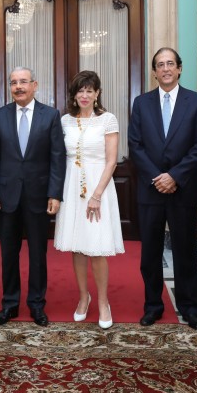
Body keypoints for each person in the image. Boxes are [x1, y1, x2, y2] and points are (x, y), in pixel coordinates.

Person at [128, 48, 197, 329]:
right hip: (150, 190)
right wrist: (157, 177)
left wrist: (174, 176)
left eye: (170, 64)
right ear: (154, 72)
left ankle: (189, 307)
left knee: (185, 251)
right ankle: (153, 305)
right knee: (149, 253)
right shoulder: (141, 103)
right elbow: (135, 145)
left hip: (183, 188)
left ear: (179, 69)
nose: (165, 69)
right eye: (160, 65)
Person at [0, 67, 65, 327]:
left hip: (39, 196)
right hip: (6, 196)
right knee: (8, 252)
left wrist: (55, 193)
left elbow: (57, 158)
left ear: (35, 84)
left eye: (23, 82)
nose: (18, 87)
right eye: (13, 83)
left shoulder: (51, 116)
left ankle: (36, 305)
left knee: (38, 254)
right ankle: (9, 303)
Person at [54, 70, 124, 329]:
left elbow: (111, 161)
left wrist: (96, 196)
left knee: (96, 246)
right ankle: (84, 297)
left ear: (97, 93)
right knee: (77, 245)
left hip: (99, 187)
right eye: (79, 91)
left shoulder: (107, 120)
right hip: (71, 187)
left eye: (89, 90)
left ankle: (103, 301)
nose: (84, 95)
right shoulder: (64, 122)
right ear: (73, 95)